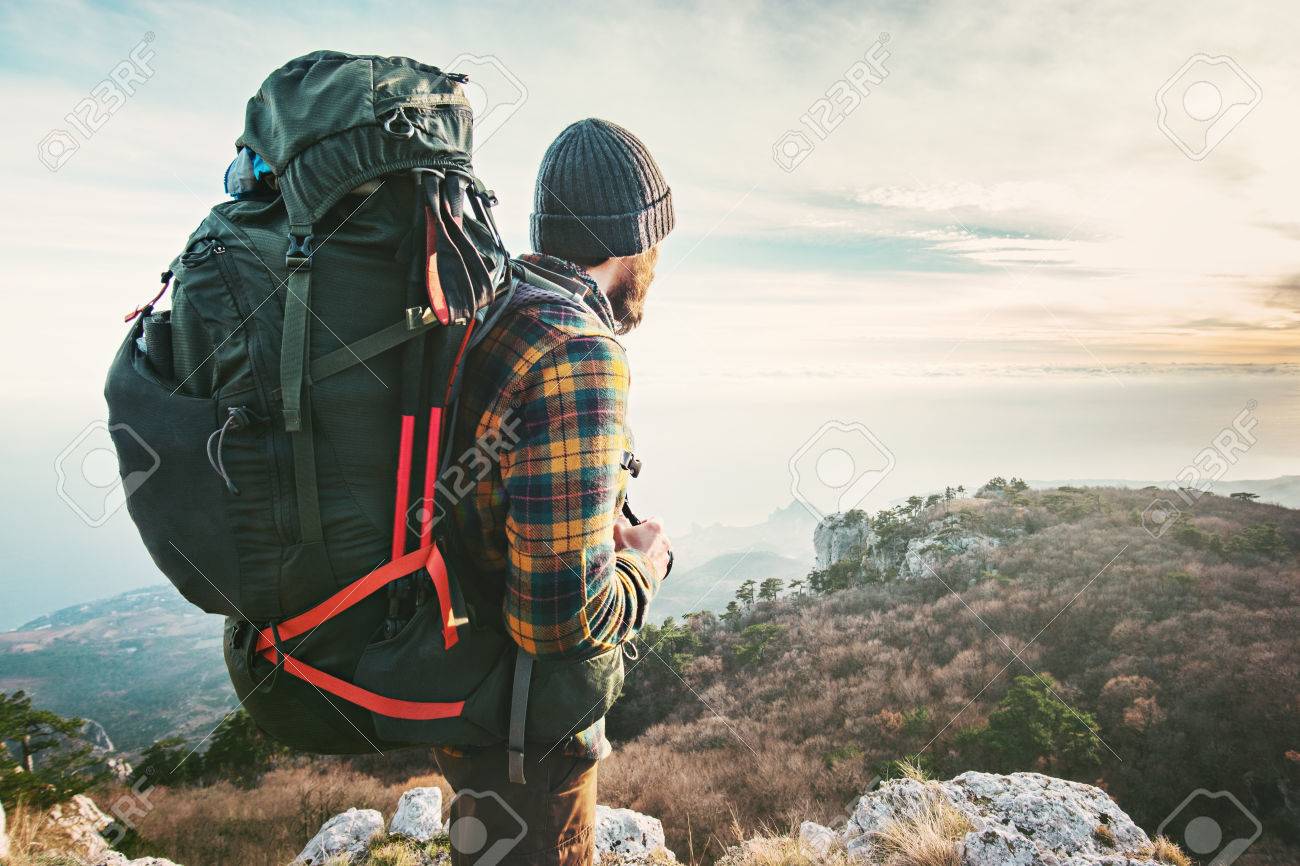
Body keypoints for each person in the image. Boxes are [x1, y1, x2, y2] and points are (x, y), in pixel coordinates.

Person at [434, 118, 676, 866]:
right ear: (632, 244)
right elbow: (562, 626)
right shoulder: (578, 351)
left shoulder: (496, 300)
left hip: (465, 698)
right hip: (527, 743)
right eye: (657, 247)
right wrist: (645, 564)